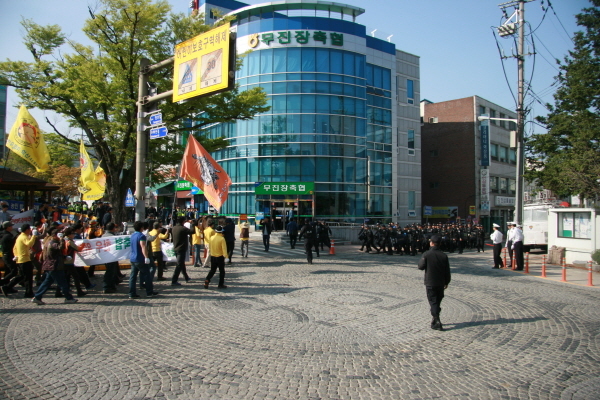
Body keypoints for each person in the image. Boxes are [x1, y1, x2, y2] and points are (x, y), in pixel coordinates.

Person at [31, 227, 78, 305]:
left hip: (52, 265)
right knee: (62, 282)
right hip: (54, 266)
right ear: (54, 235)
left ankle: (37, 297)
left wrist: (64, 257)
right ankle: (68, 298)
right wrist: (62, 239)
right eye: (58, 235)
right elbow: (60, 248)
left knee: (47, 282)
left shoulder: (52, 242)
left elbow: (56, 253)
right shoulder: (52, 243)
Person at [417, 234, 451, 331]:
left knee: (433, 301)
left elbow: (420, 266)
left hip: (430, 282)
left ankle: (437, 320)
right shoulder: (444, 255)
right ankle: (435, 319)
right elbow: (447, 271)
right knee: (437, 301)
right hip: (441, 282)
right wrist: (447, 282)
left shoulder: (427, 254)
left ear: (431, 243)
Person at [128, 221, 157, 299]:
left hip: (133, 258)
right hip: (140, 258)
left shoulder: (132, 235)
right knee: (147, 276)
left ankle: (132, 293)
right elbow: (143, 246)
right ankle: (149, 292)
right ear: (141, 228)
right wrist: (146, 257)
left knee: (133, 277)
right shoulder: (141, 236)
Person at [10, 223, 37, 299]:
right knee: (28, 277)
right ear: (27, 230)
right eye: (29, 229)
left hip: (20, 259)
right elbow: (29, 244)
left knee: (21, 276)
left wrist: (16, 255)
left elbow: (14, 248)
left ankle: (7, 286)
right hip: (25, 259)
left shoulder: (19, 237)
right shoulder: (24, 237)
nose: (30, 230)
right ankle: (28, 292)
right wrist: (34, 236)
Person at [204, 225, 228, 289]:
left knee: (212, 270)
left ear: (215, 231)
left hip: (213, 256)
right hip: (220, 257)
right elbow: (224, 249)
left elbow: (210, 247)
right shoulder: (222, 239)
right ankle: (220, 284)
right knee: (222, 271)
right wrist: (226, 256)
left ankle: (207, 279)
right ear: (221, 232)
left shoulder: (211, 238)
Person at [170, 216, 192, 286]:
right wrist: (193, 224)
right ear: (183, 221)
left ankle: (186, 277)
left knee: (181, 264)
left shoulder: (174, 228)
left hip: (176, 247)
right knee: (179, 265)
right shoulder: (182, 228)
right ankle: (174, 280)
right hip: (181, 248)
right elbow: (192, 231)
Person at [0, 222, 19, 296]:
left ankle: (8, 286)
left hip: (4, 254)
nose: (12, 227)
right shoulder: (8, 236)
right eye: (11, 226)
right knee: (14, 271)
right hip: (8, 255)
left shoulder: (2, 234)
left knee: (8, 271)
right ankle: (3, 283)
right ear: (7, 227)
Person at [101, 222, 121, 293]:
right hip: (111, 257)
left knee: (112, 271)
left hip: (106, 256)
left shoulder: (103, 236)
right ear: (113, 228)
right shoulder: (112, 237)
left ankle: (112, 285)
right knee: (110, 272)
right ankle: (106, 286)